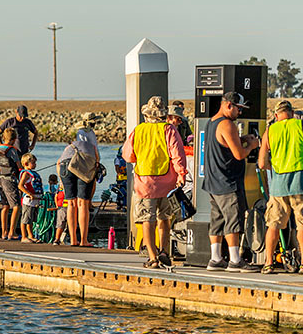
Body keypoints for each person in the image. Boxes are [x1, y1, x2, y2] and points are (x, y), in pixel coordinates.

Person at [122, 96, 187, 269]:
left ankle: (152, 257)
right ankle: (164, 251)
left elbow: (128, 155)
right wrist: (181, 174)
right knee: (164, 218)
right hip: (167, 182)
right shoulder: (169, 129)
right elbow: (177, 154)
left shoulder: (138, 130)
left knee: (147, 220)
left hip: (144, 183)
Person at [201, 92, 260, 272]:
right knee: (233, 220)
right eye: (238, 109)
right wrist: (252, 145)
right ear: (228, 105)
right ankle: (235, 260)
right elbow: (239, 154)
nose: (240, 113)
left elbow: (223, 144)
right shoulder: (228, 124)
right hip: (227, 181)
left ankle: (216, 258)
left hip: (213, 181)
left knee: (217, 220)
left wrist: (241, 139)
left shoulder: (211, 122)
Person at [257, 100, 303, 274]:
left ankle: (268, 263)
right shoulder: (300, 125)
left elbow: (261, 163)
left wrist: (274, 167)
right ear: (291, 113)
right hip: (300, 182)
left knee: (274, 225)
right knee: (301, 224)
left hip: (278, 185)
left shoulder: (270, 131)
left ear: (276, 115)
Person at [56, 112, 101, 246]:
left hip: (65, 163)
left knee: (71, 203)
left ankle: (73, 240)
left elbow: (59, 162)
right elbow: (95, 157)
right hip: (83, 163)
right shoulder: (90, 139)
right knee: (82, 204)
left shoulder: (74, 141)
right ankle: (83, 240)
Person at [0, 127, 22, 240]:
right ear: (14, 139)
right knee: (16, 206)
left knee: (5, 206)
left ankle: (4, 233)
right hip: (10, 180)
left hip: (0, 179)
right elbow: (18, 166)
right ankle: (12, 233)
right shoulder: (12, 150)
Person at [18, 153, 44, 243]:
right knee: (25, 219)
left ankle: (31, 236)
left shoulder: (33, 174)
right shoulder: (26, 174)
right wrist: (30, 194)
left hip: (35, 200)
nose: (35, 164)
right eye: (33, 163)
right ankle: (24, 237)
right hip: (28, 200)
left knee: (31, 220)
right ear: (26, 164)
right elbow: (20, 186)